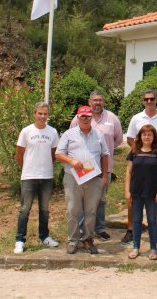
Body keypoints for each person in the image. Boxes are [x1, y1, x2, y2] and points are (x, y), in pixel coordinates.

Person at [68, 90, 123, 241]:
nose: (97, 103)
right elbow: (70, 138)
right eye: (95, 100)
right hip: (84, 166)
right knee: (81, 200)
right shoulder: (79, 118)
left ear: (103, 101)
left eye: (100, 100)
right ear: (89, 101)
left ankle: (99, 228)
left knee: (101, 200)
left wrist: (105, 150)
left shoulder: (112, 118)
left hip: (104, 167)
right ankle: (81, 230)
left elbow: (118, 139)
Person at [55, 105, 110, 255]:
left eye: (88, 117)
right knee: (73, 210)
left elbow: (105, 155)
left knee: (91, 211)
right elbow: (59, 154)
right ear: (78, 118)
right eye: (82, 117)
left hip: (93, 179)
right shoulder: (69, 134)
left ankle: (87, 239)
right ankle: (73, 240)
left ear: (92, 118)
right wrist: (72, 161)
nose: (85, 119)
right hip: (73, 178)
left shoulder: (99, 135)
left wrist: (105, 177)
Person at [122, 89, 157, 245]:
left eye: (152, 99)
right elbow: (130, 138)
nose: (149, 101)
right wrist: (139, 150)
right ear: (143, 100)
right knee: (133, 197)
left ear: (156, 100)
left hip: (155, 164)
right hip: (139, 162)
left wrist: (156, 152)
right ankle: (131, 230)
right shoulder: (136, 118)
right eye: (146, 99)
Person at [13, 102, 60, 254]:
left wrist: (44, 166)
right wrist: (28, 167)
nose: (42, 116)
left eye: (45, 114)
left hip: (46, 176)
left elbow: (54, 154)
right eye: (40, 113)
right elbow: (19, 154)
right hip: (29, 176)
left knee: (45, 209)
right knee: (25, 209)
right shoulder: (26, 131)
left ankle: (44, 236)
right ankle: (20, 240)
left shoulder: (52, 132)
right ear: (34, 114)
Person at [125, 124, 157, 261]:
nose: (147, 136)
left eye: (149, 134)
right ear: (140, 136)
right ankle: (136, 248)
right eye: (144, 134)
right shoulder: (134, 151)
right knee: (136, 220)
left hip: (152, 192)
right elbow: (128, 172)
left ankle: (153, 249)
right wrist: (127, 191)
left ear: (154, 136)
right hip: (136, 192)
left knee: (152, 221)